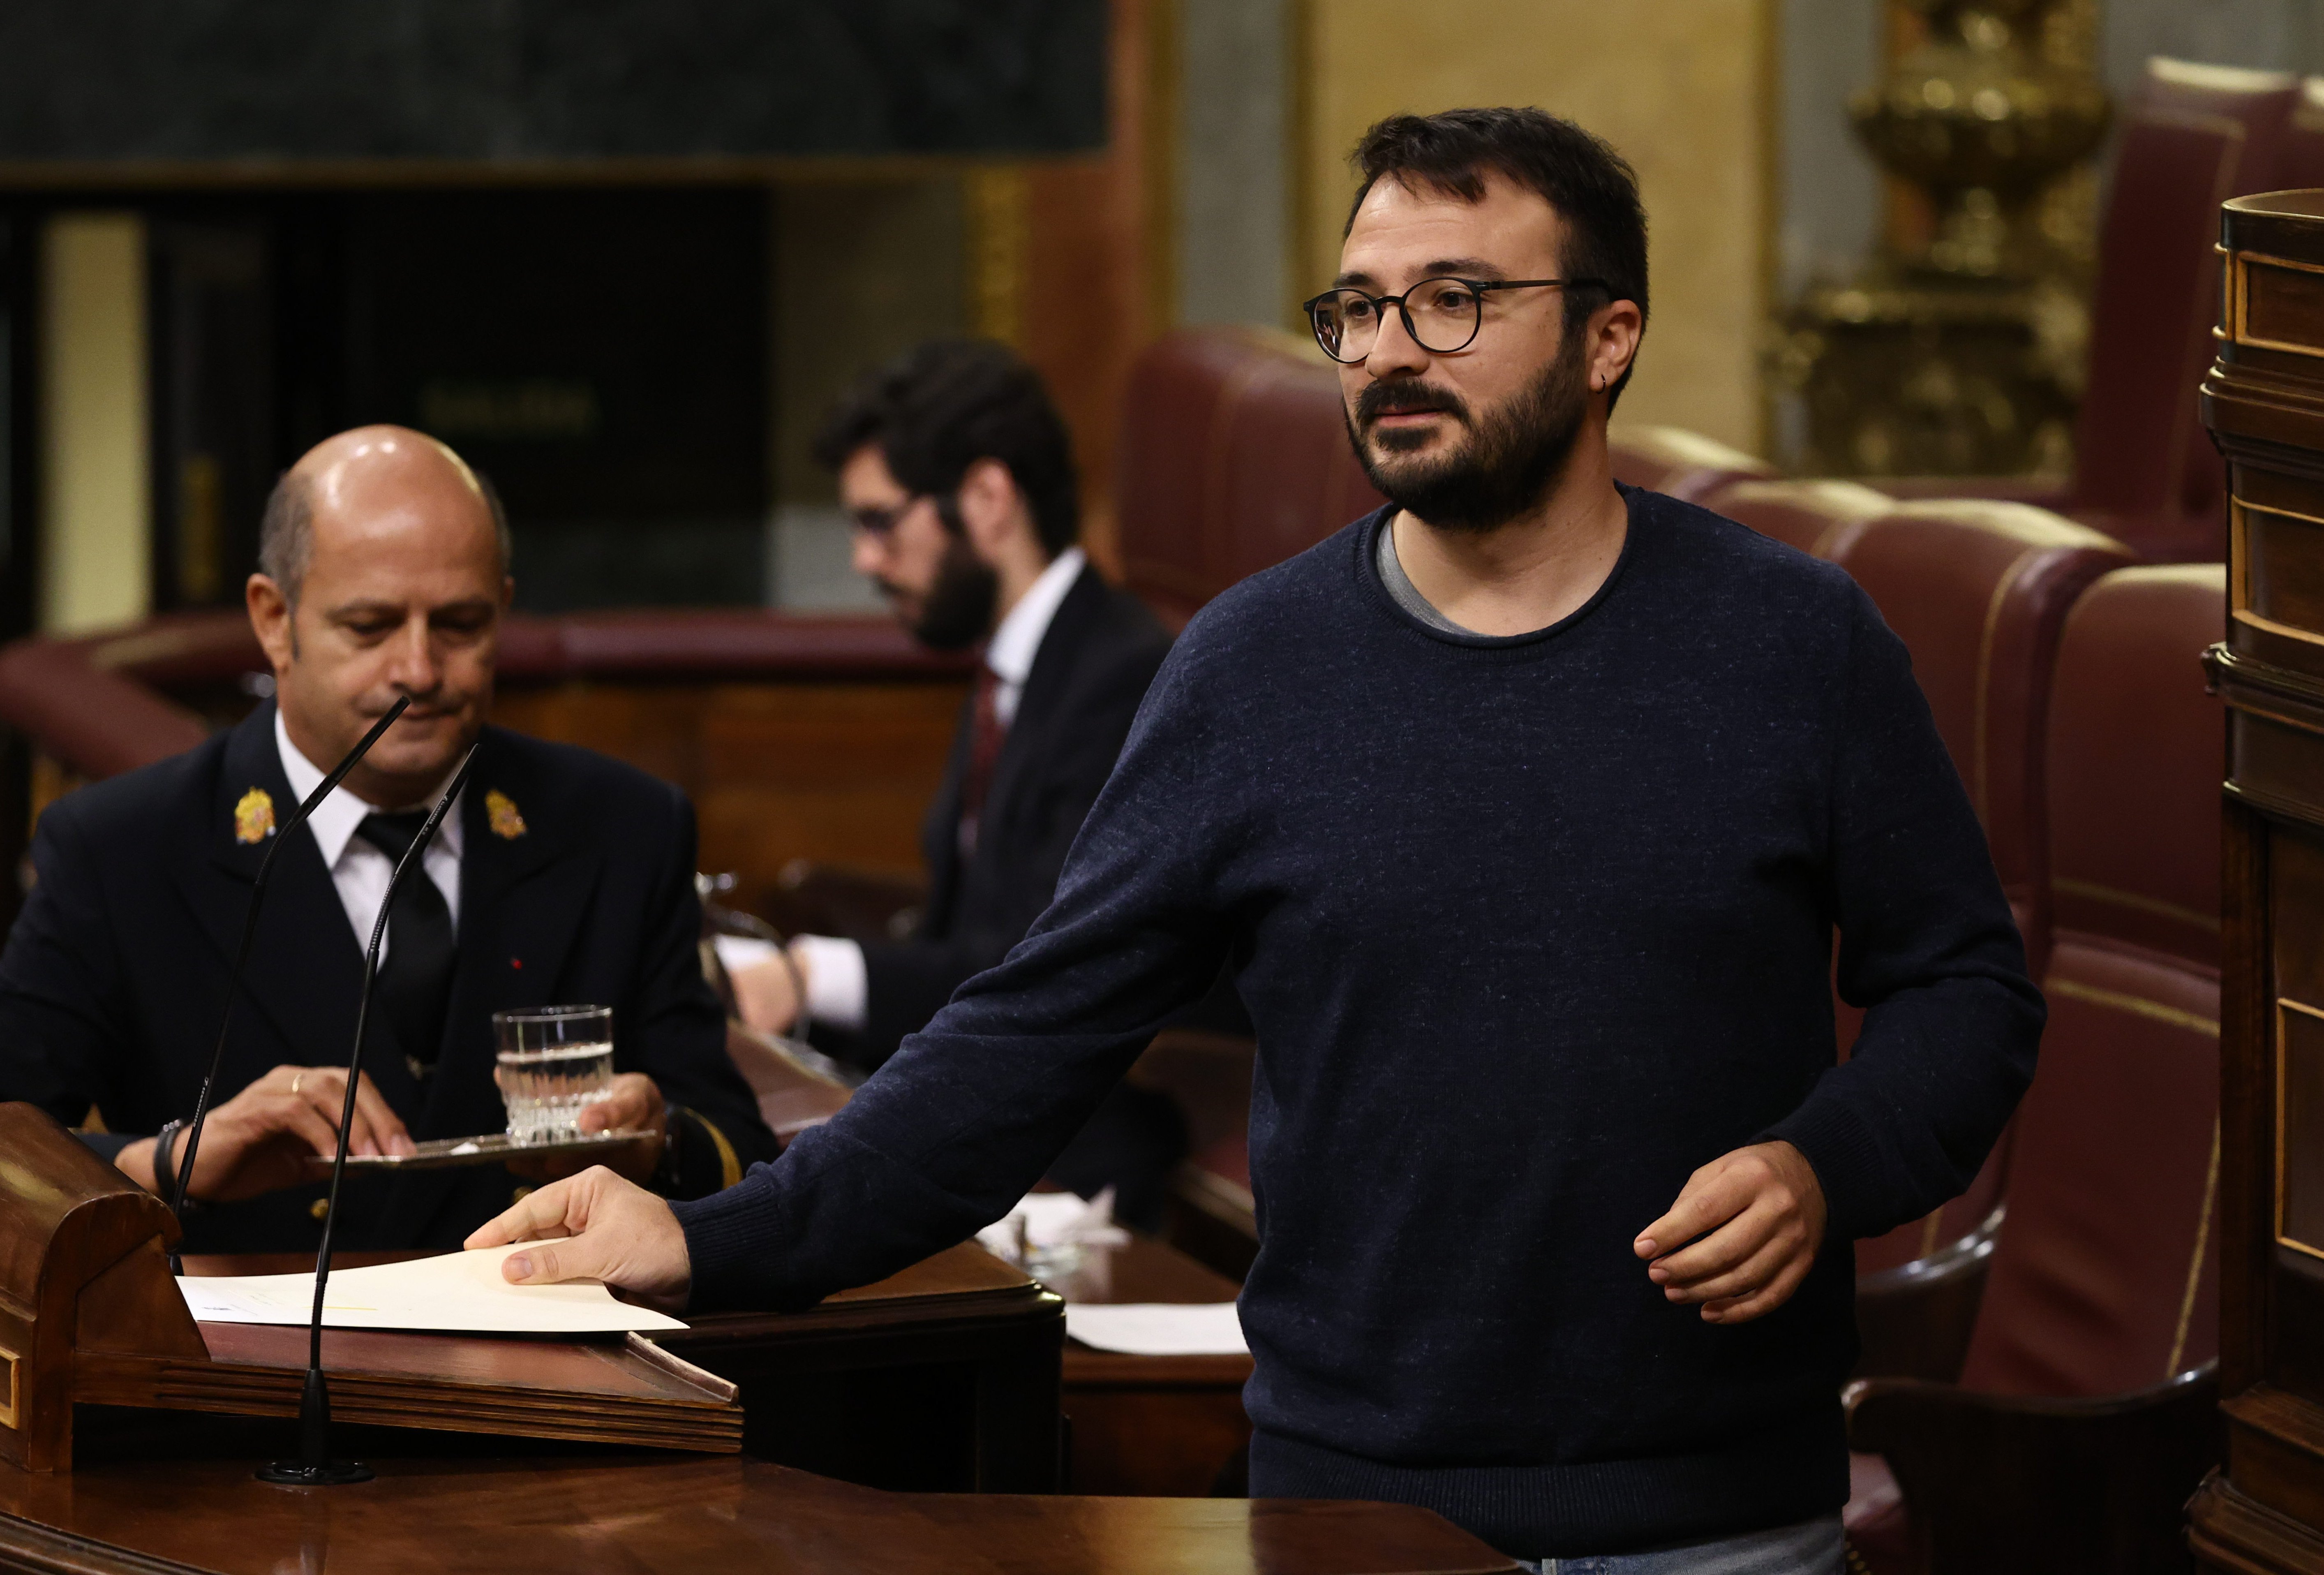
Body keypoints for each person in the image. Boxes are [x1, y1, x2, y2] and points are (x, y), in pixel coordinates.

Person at [472, 109, 2042, 1569]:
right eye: (1356, 309)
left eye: (1451, 301)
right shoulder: (1249, 668)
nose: (1385, 352)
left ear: (1606, 337)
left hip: (1718, 1518)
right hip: (1354, 1513)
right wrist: (704, 1236)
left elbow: (1966, 989)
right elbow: (1024, 1042)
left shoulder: (1795, 645)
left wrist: (1824, 1165)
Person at [0, 426, 777, 1253]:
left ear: (503, 610)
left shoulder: (621, 827)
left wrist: (657, 1141)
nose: (419, 667)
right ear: (274, 619)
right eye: (370, 626)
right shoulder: (124, 848)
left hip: (556, 1360)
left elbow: (736, 1146)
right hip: (243, 1365)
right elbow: (10, 1144)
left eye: (461, 624)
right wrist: (172, 1158)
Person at [718, 340, 1192, 1224]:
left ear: (985, 498)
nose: (864, 559)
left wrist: (807, 974)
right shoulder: (1013, 669)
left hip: (1089, 1152)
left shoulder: (1122, 674)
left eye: (880, 521)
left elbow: (1045, 964)